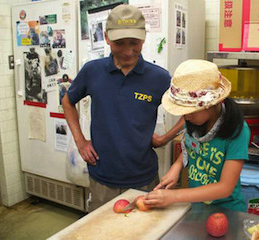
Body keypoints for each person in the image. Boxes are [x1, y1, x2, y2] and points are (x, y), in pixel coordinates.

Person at [62, 4, 179, 212]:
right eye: (119, 43)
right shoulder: (92, 71)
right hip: (102, 178)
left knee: (145, 231)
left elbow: (191, 111)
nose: (127, 51)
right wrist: (80, 141)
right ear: (106, 38)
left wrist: (164, 138)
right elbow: (68, 101)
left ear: (143, 38)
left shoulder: (159, 77)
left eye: (134, 43)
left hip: (144, 178)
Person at [144, 59, 250, 212]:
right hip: (196, 205)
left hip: (226, 210)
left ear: (212, 104)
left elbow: (225, 187)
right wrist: (177, 166)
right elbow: (192, 144)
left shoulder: (237, 131)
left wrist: (174, 197)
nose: (185, 117)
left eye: (190, 111)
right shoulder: (195, 120)